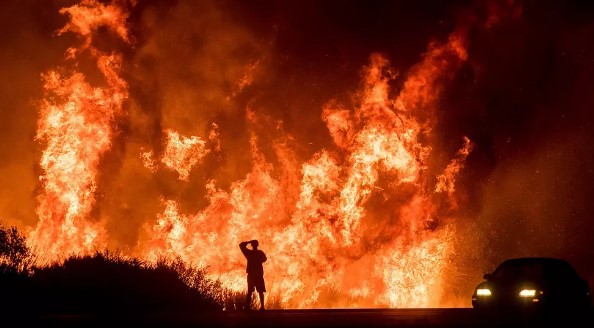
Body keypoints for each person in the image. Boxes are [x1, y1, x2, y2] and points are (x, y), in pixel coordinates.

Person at [239, 239, 267, 310]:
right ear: (258, 245)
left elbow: (241, 245)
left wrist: (248, 242)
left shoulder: (249, 253)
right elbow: (265, 259)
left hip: (252, 275)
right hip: (258, 275)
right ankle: (262, 307)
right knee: (260, 291)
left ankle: (247, 307)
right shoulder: (260, 253)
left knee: (250, 291)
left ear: (251, 245)